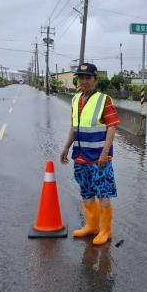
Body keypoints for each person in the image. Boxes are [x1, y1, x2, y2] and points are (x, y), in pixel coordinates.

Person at [59, 63, 119, 245]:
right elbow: (74, 126)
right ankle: (91, 226)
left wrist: (105, 152)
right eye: (81, 77)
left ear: (95, 79)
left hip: (99, 158)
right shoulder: (76, 99)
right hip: (80, 156)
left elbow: (112, 126)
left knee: (103, 192)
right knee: (86, 192)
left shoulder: (104, 100)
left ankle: (105, 230)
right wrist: (66, 147)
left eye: (88, 77)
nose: (84, 81)